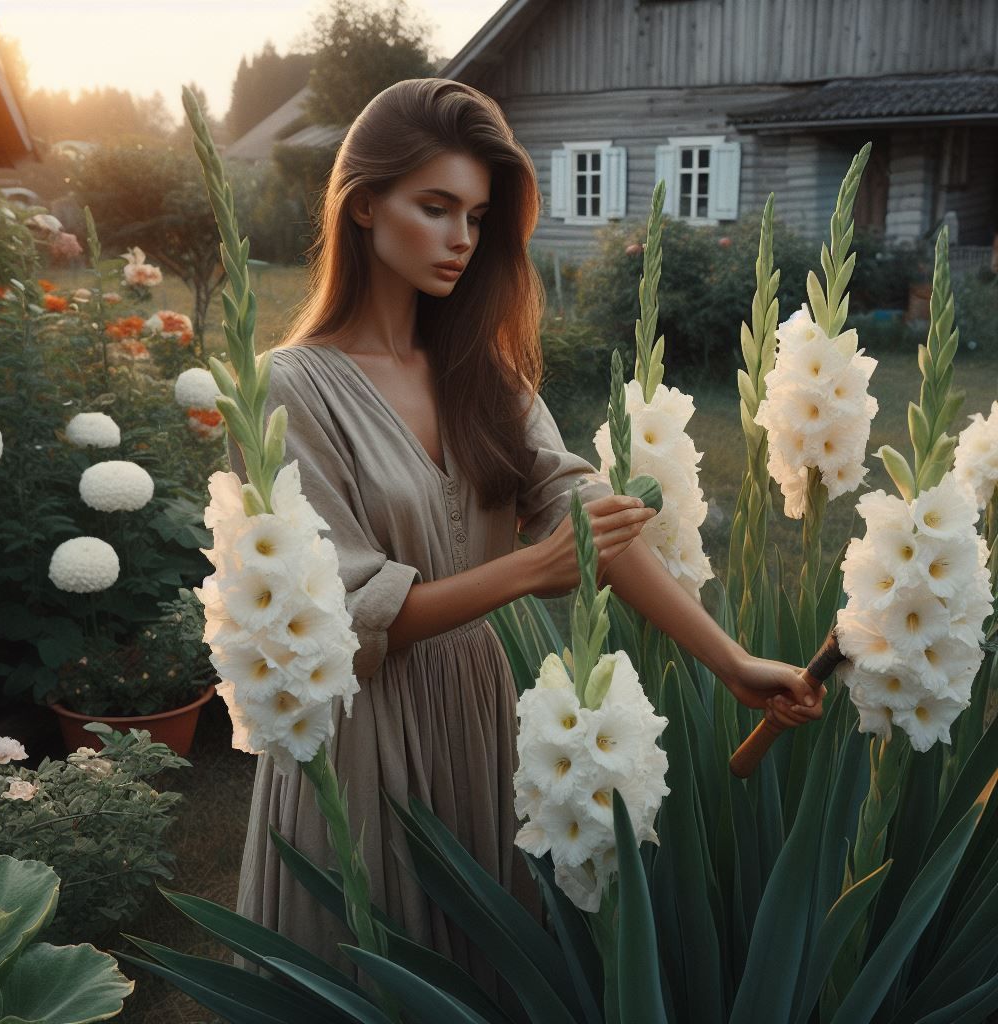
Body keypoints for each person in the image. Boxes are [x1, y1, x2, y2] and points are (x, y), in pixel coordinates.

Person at [230, 77, 824, 992]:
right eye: (436, 208)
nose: (463, 239)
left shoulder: (484, 373)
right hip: (360, 731)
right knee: (377, 971)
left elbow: (587, 525)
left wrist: (730, 661)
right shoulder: (289, 390)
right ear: (361, 208)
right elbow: (340, 627)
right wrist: (525, 571)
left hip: (478, 709)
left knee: (483, 971)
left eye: (476, 215)